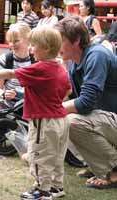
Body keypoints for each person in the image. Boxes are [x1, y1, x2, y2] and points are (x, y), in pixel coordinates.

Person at [0, 27, 72, 199]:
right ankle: (56, 187)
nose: (31, 49)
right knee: (56, 155)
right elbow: (68, 90)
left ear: (46, 47)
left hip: (44, 121)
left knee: (38, 154)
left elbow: (11, 73)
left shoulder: (39, 68)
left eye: (34, 45)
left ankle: (41, 190)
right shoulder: (59, 68)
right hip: (61, 120)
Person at [55, 15, 117, 189]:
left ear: (76, 40)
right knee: (61, 119)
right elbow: (70, 95)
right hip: (109, 120)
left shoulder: (96, 55)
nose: (56, 46)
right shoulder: (76, 60)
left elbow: (85, 103)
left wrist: (54, 109)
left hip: (112, 119)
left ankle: (113, 168)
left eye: (60, 41)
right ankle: (96, 165)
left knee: (72, 121)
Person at [0, 22, 35, 124]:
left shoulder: (36, 59)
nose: (11, 45)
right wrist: (4, 94)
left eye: (16, 41)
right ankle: (3, 133)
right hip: (8, 103)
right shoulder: (5, 59)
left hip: (29, 104)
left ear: (28, 40)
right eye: (10, 41)